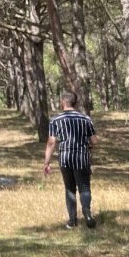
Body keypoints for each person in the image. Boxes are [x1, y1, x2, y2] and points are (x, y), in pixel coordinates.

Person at [42, 92, 98, 229]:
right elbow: (95, 141)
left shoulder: (56, 120)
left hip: (65, 158)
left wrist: (46, 162)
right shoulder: (85, 119)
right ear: (75, 103)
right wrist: (88, 146)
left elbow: (51, 143)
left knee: (69, 189)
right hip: (82, 158)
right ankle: (87, 212)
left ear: (63, 102)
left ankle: (72, 220)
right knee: (84, 187)